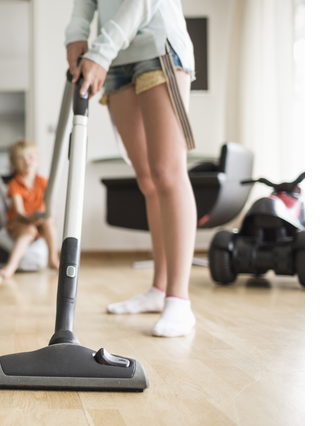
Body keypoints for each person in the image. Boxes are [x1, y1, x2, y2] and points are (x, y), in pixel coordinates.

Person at [65, 0, 197, 337]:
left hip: (157, 45)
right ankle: (158, 290)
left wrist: (101, 50)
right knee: (148, 180)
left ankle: (179, 301)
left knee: (167, 173)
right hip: (116, 58)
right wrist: (76, 35)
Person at [0, 140, 59, 279]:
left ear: (37, 159)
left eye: (31, 156)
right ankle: (11, 265)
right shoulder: (14, 184)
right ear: (14, 164)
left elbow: (50, 206)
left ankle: (53, 260)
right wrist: (33, 219)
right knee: (29, 230)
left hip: (38, 219)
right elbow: (19, 213)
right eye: (21, 157)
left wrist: (46, 217)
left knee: (49, 222)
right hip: (19, 221)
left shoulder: (44, 182)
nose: (27, 161)